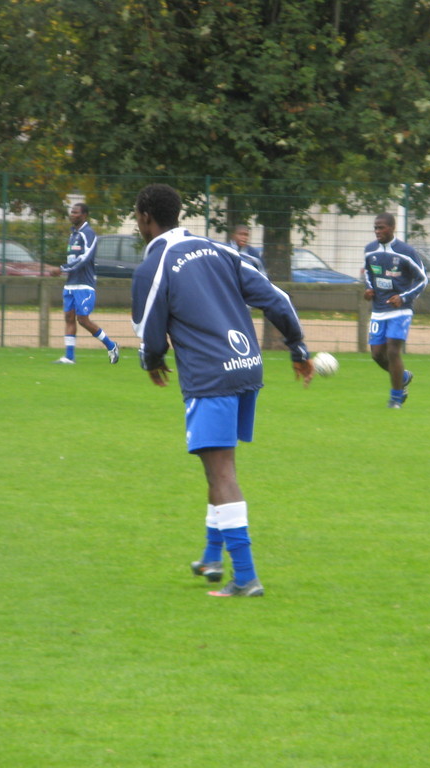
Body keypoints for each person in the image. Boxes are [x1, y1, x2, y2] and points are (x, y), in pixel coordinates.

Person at [131, 183, 313, 598]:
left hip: (209, 377)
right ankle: (213, 557)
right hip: (246, 369)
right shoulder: (221, 250)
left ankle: (245, 576)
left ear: (145, 218)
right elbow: (277, 298)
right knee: (217, 464)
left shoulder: (152, 267)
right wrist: (298, 347)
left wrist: (152, 361)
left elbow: (149, 334)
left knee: (222, 472)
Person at [363, 212, 427, 408]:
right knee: (376, 355)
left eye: (381, 227)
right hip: (378, 310)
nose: (377, 231)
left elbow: (423, 279)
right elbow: (368, 272)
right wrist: (368, 288)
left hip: (400, 310)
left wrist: (404, 297)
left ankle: (396, 398)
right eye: (375, 227)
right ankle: (403, 376)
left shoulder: (406, 251)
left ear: (392, 228)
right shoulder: (370, 250)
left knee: (392, 351)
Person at [51, 202, 119, 364]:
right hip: (70, 284)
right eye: (71, 212)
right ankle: (69, 357)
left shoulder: (88, 233)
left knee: (83, 320)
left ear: (84, 215)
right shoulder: (73, 234)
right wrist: (65, 270)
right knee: (69, 318)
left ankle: (111, 345)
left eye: (75, 212)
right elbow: (74, 258)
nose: (72, 214)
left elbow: (85, 258)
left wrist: (62, 269)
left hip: (84, 285)